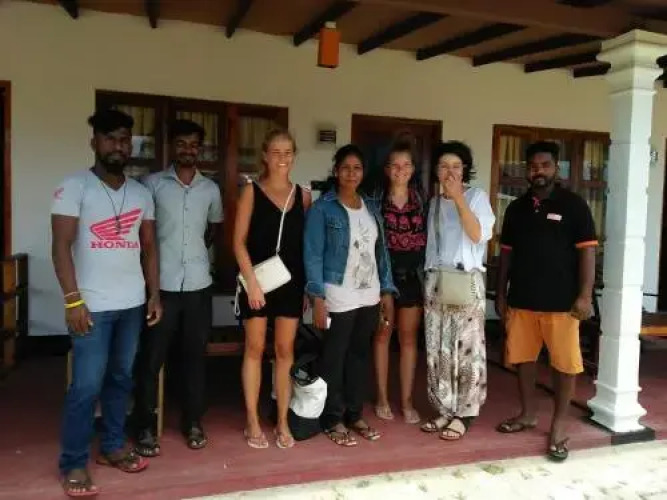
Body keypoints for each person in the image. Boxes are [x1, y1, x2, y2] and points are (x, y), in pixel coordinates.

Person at [52, 109, 162, 498]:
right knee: (85, 386)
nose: (118, 146)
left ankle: (112, 446)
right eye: (110, 138)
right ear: (94, 142)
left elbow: (149, 248)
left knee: (120, 379)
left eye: (124, 139)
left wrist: (154, 294)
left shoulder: (141, 194)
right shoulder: (73, 187)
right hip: (90, 306)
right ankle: (73, 462)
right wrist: (73, 301)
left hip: (132, 305)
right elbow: (60, 247)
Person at [495, 141, 596, 462]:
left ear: (556, 168)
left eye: (545, 165)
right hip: (522, 300)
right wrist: (501, 294)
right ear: (527, 170)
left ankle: (559, 426)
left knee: (564, 366)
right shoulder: (516, 209)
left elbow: (588, 252)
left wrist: (585, 295)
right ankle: (527, 414)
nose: (538, 171)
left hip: (562, 303)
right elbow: (506, 256)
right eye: (533, 166)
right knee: (523, 360)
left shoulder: (574, 206)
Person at [133, 119, 223, 456]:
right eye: (182, 143)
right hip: (162, 287)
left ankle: (193, 422)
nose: (188, 150)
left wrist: (195, 256)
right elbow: (144, 238)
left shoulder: (211, 190)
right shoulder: (152, 185)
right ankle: (144, 425)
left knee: (194, 358)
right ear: (172, 147)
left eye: (194, 144)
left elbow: (212, 231)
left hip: (198, 286)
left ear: (201, 149)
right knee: (151, 358)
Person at [304, 144, 397, 447]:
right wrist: (317, 297)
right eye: (345, 168)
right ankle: (332, 418)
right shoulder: (323, 208)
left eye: (357, 168)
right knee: (334, 356)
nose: (351, 173)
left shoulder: (370, 207)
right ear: (336, 171)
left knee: (359, 355)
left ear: (363, 172)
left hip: (369, 294)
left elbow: (381, 252)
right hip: (337, 293)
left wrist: (386, 290)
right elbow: (313, 255)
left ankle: (354, 414)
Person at [234, 129, 311, 449]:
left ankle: (282, 420)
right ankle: (252, 420)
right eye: (276, 152)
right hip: (258, 283)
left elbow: (305, 246)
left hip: (290, 284)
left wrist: (307, 288)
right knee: (254, 348)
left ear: (294, 156)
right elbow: (238, 242)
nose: (282, 158)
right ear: (265, 156)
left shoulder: (303, 196)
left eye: (288, 152)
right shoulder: (251, 191)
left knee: (284, 352)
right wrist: (252, 283)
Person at [420, 141, 495, 441]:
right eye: (444, 166)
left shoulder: (477, 197)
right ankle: (444, 407)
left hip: (466, 282)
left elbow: (478, 235)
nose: (449, 172)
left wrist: (459, 199)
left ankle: (465, 413)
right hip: (437, 281)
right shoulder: (434, 203)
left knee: (467, 349)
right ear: (436, 171)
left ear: (465, 170)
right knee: (439, 348)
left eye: (456, 166)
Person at [372, 140, 427, 425]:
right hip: (383, 277)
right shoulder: (375, 200)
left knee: (408, 338)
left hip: (412, 277)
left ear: (413, 169)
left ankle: (406, 400)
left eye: (406, 165)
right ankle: (382, 397)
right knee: (383, 335)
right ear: (386, 169)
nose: (400, 170)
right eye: (395, 165)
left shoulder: (422, 200)